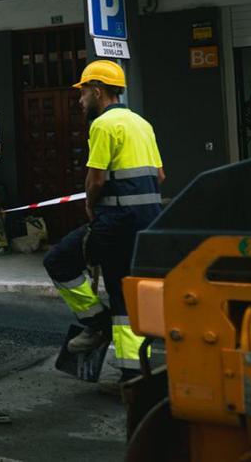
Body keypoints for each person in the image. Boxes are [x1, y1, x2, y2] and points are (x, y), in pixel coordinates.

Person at [43, 60, 164, 381]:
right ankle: (134, 378)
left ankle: (96, 322)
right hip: (149, 224)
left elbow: (95, 180)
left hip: (116, 222)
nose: (80, 101)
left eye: (83, 93)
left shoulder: (103, 126)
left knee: (58, 260)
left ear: (97, 91)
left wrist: (91, 208)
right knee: (126, 294)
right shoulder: (142, 124)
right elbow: (161, 175)